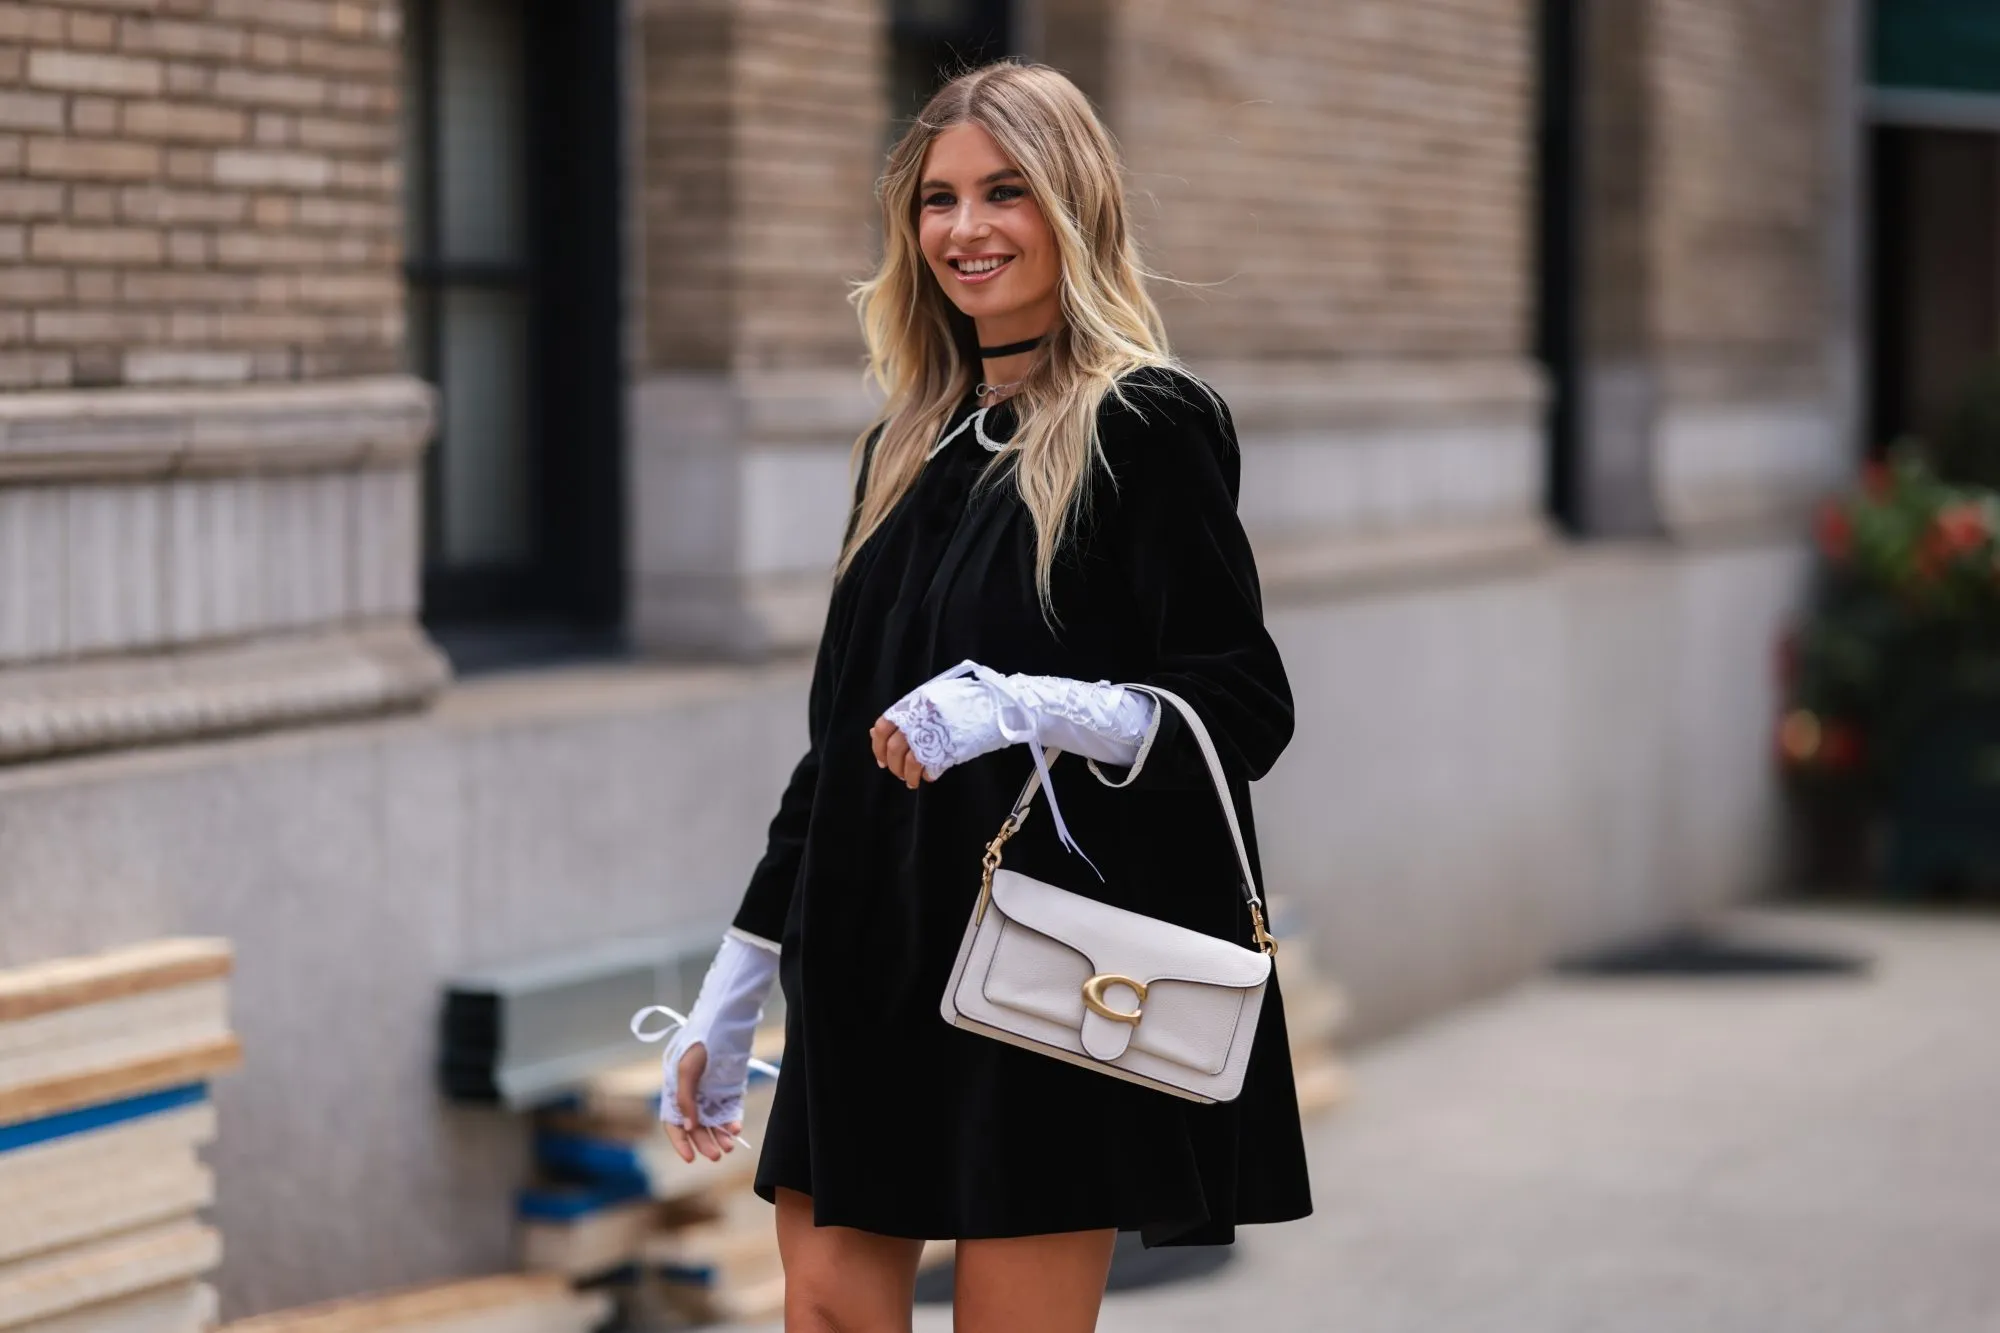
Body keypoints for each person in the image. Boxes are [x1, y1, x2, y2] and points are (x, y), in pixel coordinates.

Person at [648, 61, 1310, 1332]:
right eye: (937, 199)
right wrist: (731, 994)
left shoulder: (1147, 427)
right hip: (861, 956)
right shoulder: (903, 443)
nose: (965, 229)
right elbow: (832, 752)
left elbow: (1244, 704)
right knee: (827, 1312)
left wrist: (1024, 706)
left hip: (1034, 969)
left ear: (1074, 207)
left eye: (1004, 192)